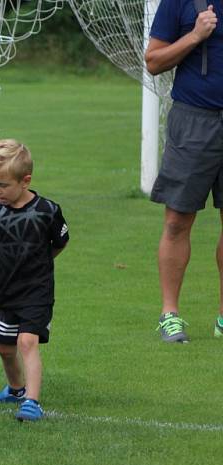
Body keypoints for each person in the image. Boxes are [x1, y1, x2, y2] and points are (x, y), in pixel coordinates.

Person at [0, 139, 69, 422]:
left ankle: (32, 403)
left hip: (37, 291)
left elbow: (60, 242)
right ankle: (16, 389)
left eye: (3, 185)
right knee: (4, 347)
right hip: (4, 291)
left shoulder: (48, 211)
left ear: (25, 181)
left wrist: (42, 263)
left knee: (26, 343)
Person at [145, 0, 222, 343]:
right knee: (177, 221)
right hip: (193, 120)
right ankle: (169, 315)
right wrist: (195, 35)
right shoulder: (178, 1)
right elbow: (153, 61)